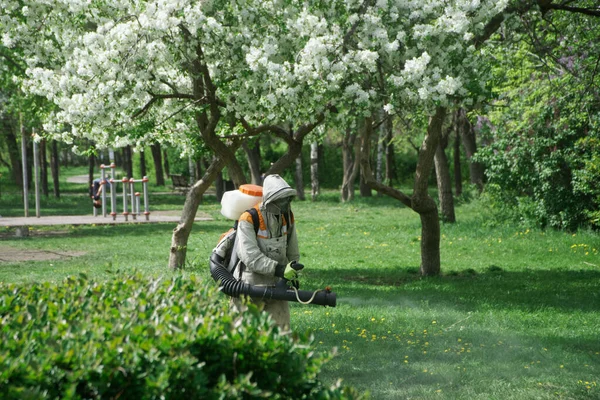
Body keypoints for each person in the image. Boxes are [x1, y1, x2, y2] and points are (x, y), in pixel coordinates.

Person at [231, 174, 302, 331]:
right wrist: (280, 269)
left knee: (281, 333)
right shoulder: (249, 219)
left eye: (287, 199)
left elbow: (292, 249)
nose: (285, 204)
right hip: (249, 287)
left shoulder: (287, 217)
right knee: (245, 335)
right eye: (282, 200)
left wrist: (293, 270)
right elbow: (250, 257)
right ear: (271, 200)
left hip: (277, 286)